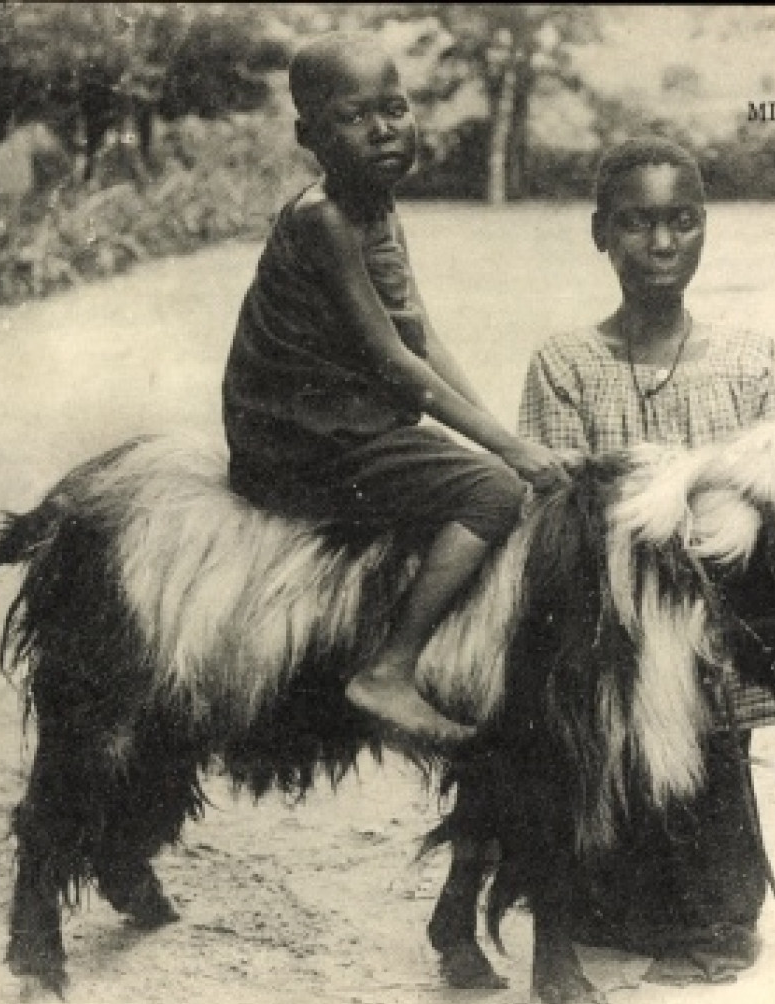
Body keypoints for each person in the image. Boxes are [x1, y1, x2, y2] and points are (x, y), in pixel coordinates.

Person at [221, 32, 570, 746]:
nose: (383, 129)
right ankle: (389, 668)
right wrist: (504, 457)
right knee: (492, 494)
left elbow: (419, 333)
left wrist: (498, 435)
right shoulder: (323, 219)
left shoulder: (376, 205)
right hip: (299, 445)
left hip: (349, 426)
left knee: (493, 468)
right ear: (308, 135)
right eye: (354, 116)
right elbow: (390, 360)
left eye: (395, 107)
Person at [518, 135, 775, 984]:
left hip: (716, 622)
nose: (662, 244)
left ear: (703, 227)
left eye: (681, 221)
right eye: (636, 223)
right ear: (599, 232)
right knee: (609, 820)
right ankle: (617, 900)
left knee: (708, 785)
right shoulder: (566, 364)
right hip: (609, 618)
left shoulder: (747, 360)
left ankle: (715, 920)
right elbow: (563, 514)